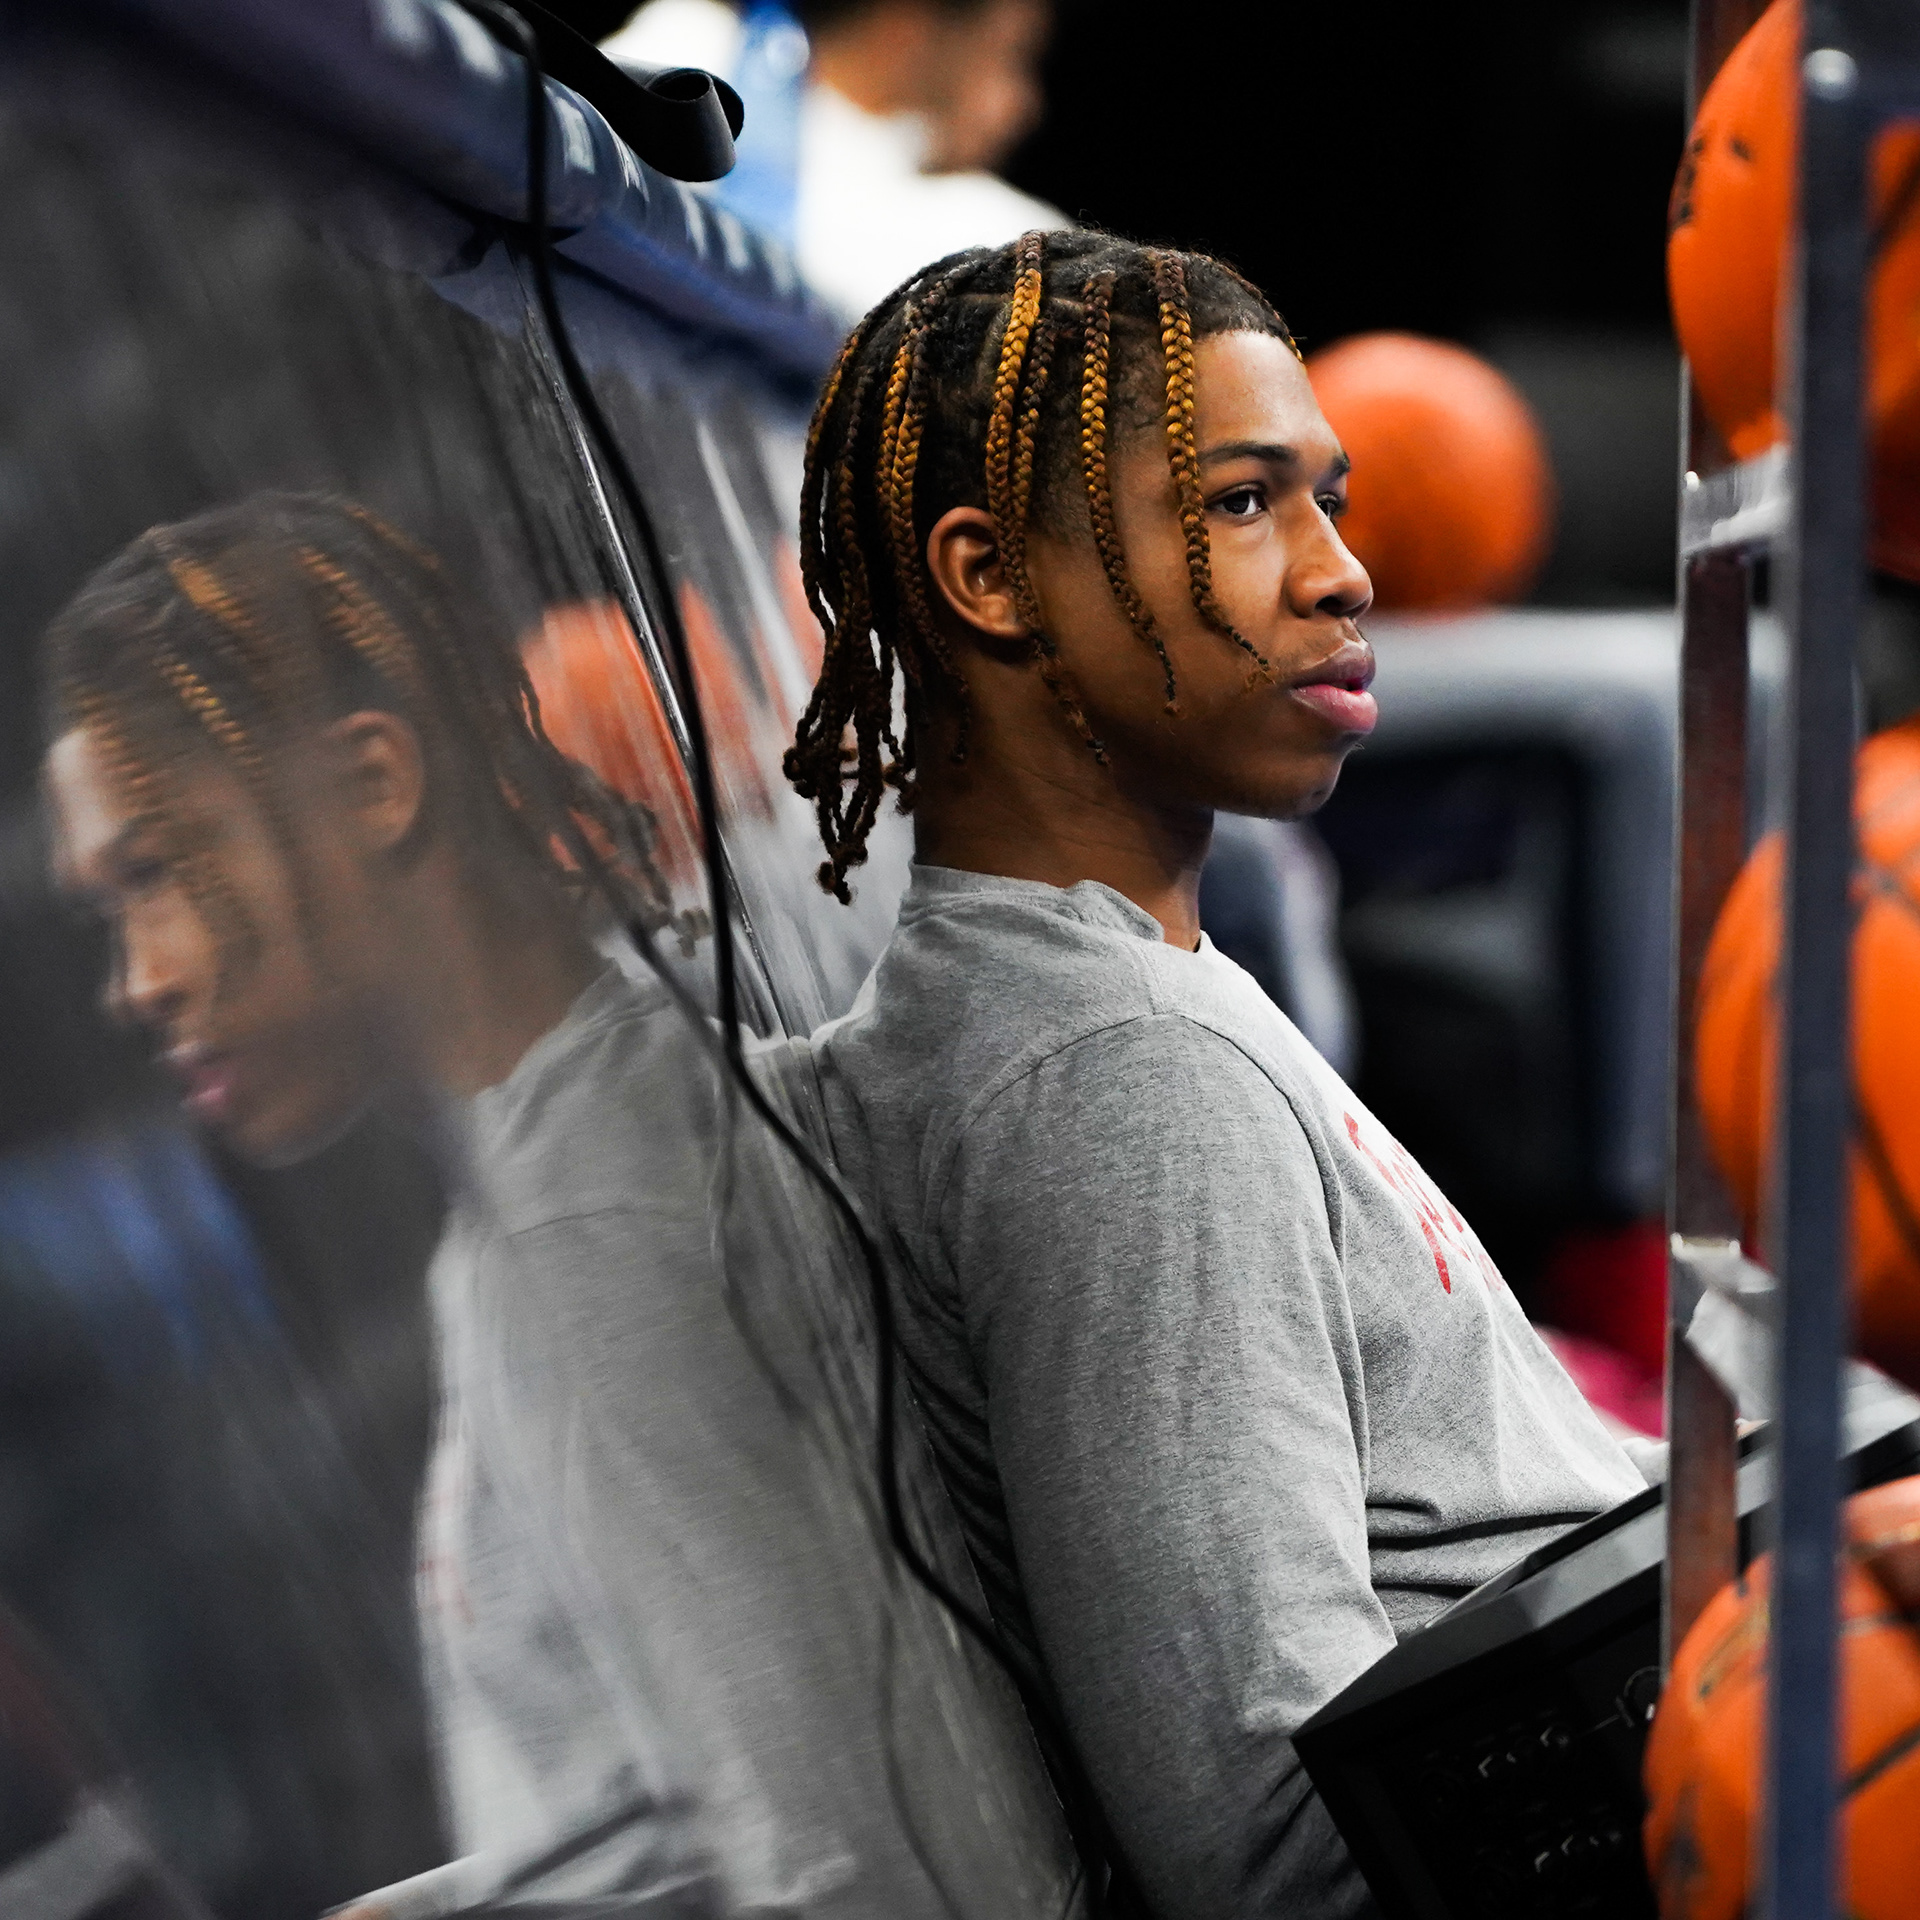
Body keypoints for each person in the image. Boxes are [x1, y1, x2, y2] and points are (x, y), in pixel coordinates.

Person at [790, 232, 1652, 1920]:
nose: (1345, 573)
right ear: (992, 579)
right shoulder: (1119, 1081)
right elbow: (1273, 1855)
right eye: (1244, 503)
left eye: (1331, 499)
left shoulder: (1123, 993)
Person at [39, 494, 1060, 1919]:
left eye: (156, 872)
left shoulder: (610, 1229)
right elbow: (688, 1804)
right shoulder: (540, 1193)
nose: (135, 983)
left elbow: (866, 1863)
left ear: (374, 786)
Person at [603, 0, 1062, 314]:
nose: (1025, 107)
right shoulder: (689, 58)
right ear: (905, 28)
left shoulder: (994, 224)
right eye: (1012, 55)